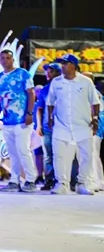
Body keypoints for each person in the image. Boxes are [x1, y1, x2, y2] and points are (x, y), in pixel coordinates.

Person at [47, 54, 100, 195]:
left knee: (87, 155)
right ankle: (61, 184)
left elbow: (95, 102)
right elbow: (50, 102)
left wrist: (95, 118)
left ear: (74, 66)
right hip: (61, 125)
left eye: (65, 63)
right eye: (62, 64)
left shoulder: (86, 82)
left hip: (83, 125)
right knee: (58, 155)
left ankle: (82, 183)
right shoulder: (56, 82)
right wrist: (50, 118)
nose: (62, 66)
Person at [0, 49, 38, 192]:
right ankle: (14, 181)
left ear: (13, 60)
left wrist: (30, 113)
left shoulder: (23, 74)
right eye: (3, 58)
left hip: (22, 121)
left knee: (23, 150)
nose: (5, 60)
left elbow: (31, 93)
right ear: (0, 61)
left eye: (8, 58)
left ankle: (31, 180)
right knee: (12, 153)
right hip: (7, 121)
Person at [35, 62, 61, 190]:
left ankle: (67, 180)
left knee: (63, 155)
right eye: (47, 71)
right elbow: (39, 109)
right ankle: (49, 180)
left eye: (51, 71)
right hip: (47, 127)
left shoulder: (63, 87)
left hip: (62, 126)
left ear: (58, 72)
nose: (47, 73)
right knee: (48, 155)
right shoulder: (44, 89)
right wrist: (39, 125)